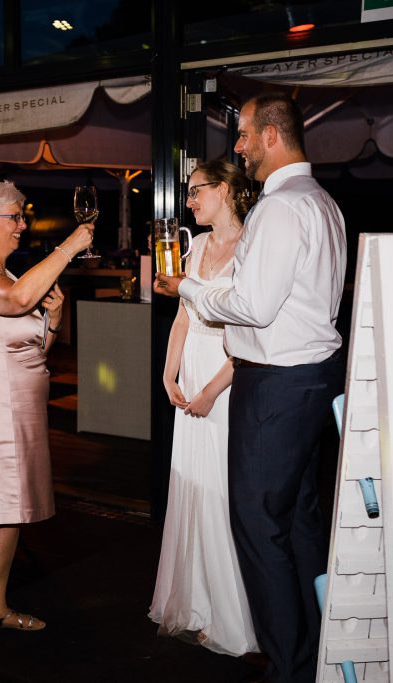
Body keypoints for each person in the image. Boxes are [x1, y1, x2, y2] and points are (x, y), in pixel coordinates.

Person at [155, 93, 347, 682]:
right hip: (316, 380)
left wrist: (187, 288)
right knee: (301, 522)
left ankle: (288, 669)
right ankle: (319, 648)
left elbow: (253, 308)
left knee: (259, 526)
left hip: (277, 386)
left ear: (269, 135)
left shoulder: (282, 207)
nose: (238, 147)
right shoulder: (324, 202)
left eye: (242, 134)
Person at [0, 180, 92, 648]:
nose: (23, 224)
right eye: (15, 216)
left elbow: (35, 347)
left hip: (20, 408)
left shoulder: (7, 276)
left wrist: (54, 318)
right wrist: (69, 247)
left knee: (11, 511)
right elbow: (13, 304)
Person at [149, 159, 259, 657]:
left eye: (197, 191)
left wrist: (213, 389)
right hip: (191, 371)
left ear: (230, 190)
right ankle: (193, 602)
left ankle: (230, 615)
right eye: (189, 192)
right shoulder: (191, 247)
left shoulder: (253, 248)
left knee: (219, 491)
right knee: (190, 487)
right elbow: (181, 316)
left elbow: (252, 331)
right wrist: (169, 373)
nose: (189, 201)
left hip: (227, 378)